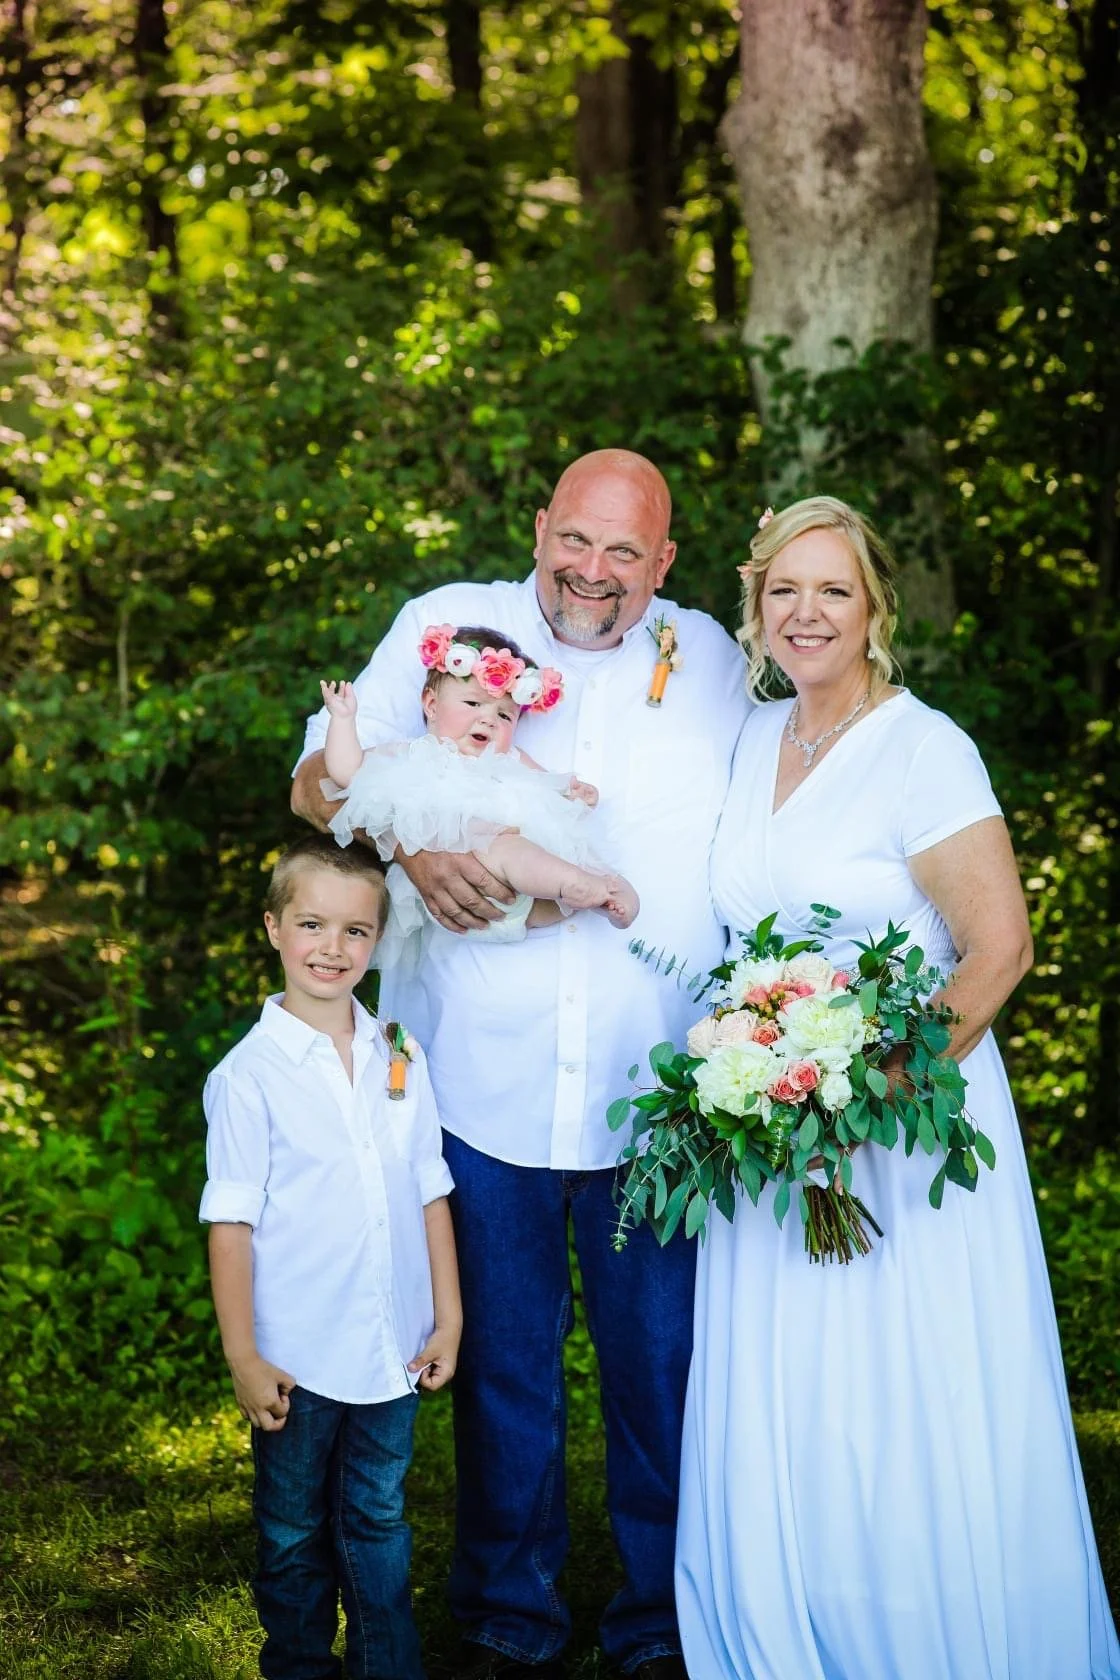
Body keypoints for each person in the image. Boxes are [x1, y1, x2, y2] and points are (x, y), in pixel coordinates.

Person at [291, 449, 751, 1680]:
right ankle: (507, 1616)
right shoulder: (441, 624)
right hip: (474, 1076)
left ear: (663, 564)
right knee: (501, 1365)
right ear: (539, 527)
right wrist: (402, 837)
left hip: (659, 1084)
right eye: (576, 540)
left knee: (662, 1374)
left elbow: (825, 709)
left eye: (625, 554)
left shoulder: (713, 655)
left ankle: (664, 1622)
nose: (593, 573)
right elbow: (313, 778)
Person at [675, 495, 1120, 1680]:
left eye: (832, 590)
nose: (805, 612)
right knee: (795, 1396)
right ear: (755, 608)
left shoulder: (925, 747)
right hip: (773, 1137)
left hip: (907, 1130)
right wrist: (762, 1077)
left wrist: (866, 1096)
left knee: (904, 1398)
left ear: (874, 610)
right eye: (784, 590)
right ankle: (787, 1626)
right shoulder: (752, 737)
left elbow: (999, 951)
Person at [200, 832, 461, 1680]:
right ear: (274, 928)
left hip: (393, 1346)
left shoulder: (400, 1055)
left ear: (377, 941)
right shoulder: (249, 1077)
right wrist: (244, 1353)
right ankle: (301, 1667)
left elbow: (429, 1186)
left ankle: (391, 1667)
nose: (332, 947)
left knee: (378, 1519)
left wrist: (448, 1318)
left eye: (355, 931)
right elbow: (231, 1222)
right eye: (312, 925)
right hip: (297, 1356)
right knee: (292, 1529)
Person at [318, 622, 639, 972]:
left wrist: (573, 792)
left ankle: (609, 893)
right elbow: (347, 771)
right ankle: (575, 885)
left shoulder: (510, 759)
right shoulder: (411, 754)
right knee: (502, 845)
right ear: (431, 704)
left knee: (575, 851)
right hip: (457, 889)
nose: (488, 720)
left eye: (504, 715)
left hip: (524, 905)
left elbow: (548, 785)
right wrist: (343, 720)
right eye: (473, 703)